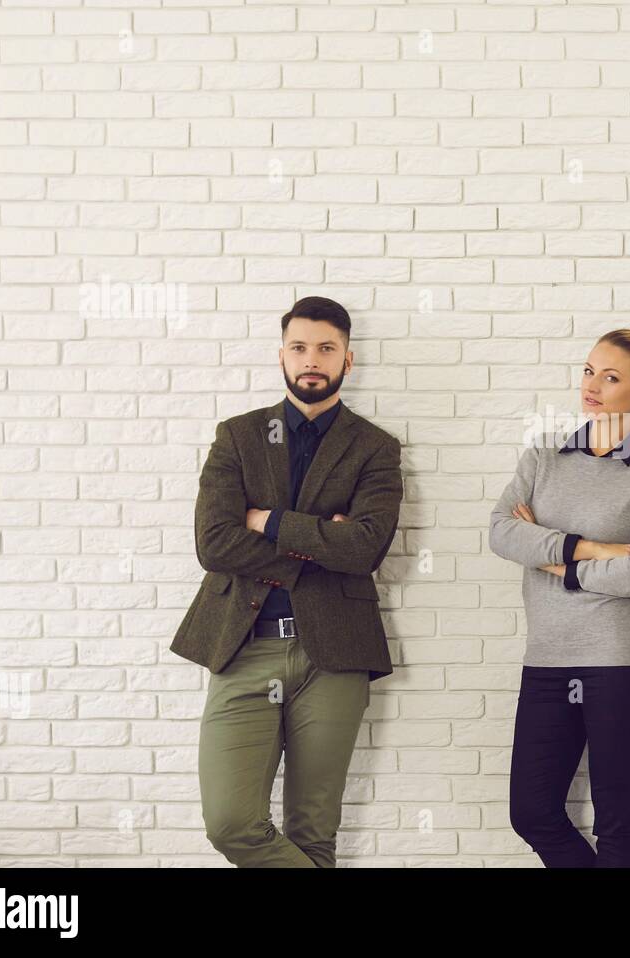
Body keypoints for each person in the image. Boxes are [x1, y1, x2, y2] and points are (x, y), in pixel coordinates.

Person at [171, 295, 403, 867]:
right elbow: (214, 543)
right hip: (243, 645)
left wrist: (269, 521)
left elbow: (366, 547)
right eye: (300, 347)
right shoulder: (238, 436)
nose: (312, 360)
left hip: (335, 653)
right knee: (231, 824)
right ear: (282, 355)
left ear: (348, 359)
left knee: (313, 834)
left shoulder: (376, 447)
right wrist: (322, 542)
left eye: (327, 348)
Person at [489, 329, 630, 867]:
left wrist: (552, 560)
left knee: (616, 820)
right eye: (589, 370)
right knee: (531, 812)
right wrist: (590, 548)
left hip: (619, 664)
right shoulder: (542, 458)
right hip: (547, 660)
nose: (593, 386)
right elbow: (500, 533)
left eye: (612, 377)